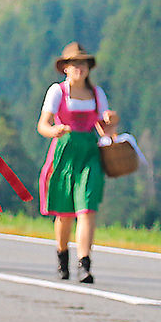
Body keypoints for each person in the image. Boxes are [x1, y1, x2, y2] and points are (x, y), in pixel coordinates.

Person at [37, 42, 116, 282]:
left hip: (90, 152)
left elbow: (106, 131)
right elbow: (43, 125)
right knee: (64, 211)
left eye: (83, 64)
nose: (79, 68)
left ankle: (85, 263)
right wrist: (55, 131)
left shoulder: (97, 93)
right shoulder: (58, 92)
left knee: (87, 207)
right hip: (65, 150)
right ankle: (62, 258)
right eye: (75, 64)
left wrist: (111, 122)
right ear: (66, 68)